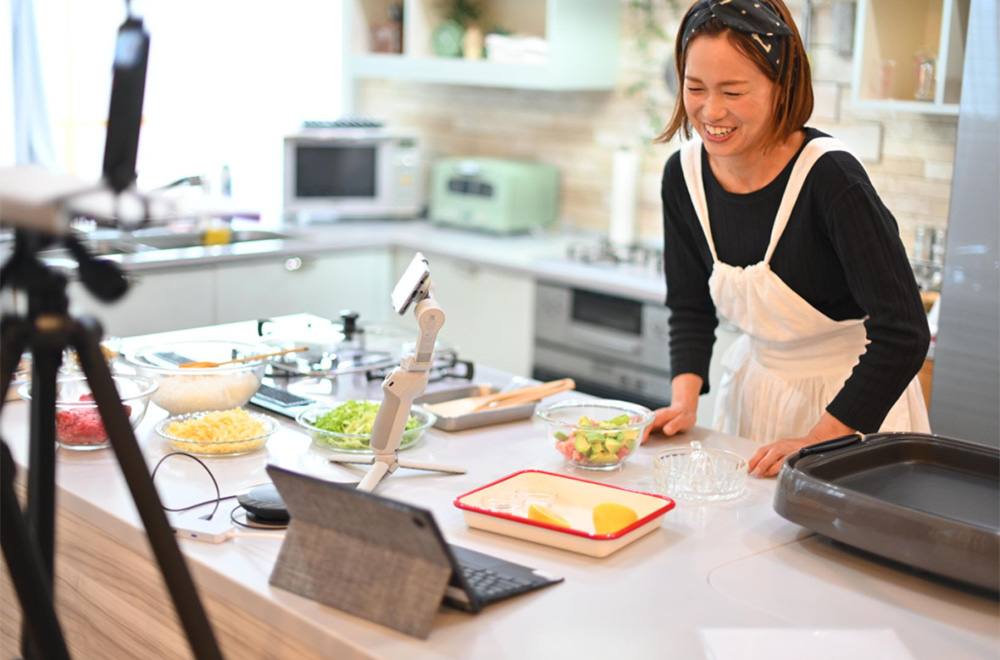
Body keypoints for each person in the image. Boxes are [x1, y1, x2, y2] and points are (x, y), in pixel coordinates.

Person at [648, 0, 931, 477]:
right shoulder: (684, 176)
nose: (710, 111)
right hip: (755, 396)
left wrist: (818, 441)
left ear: (782, 87)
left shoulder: (830, 178)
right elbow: (690, 306)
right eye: (695, 87)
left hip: (852, 411)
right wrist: (684, 400)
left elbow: (903, 332)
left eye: (733, 91)